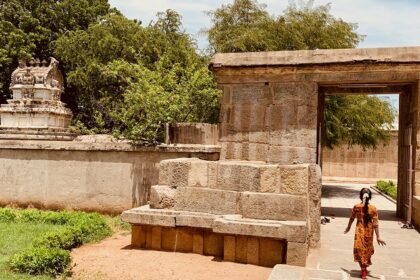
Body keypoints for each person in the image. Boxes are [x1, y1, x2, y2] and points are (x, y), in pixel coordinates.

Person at [344, 188, 386, 279]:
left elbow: (352, 218)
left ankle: (363, 269)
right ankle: (364, 269)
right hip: (369, 231)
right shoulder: (373, 209)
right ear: (370, 197)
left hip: (359, 230)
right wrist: (378, 237)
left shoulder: (356, 207)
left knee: (359, 249)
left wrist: (348, 227)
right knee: (366, 250)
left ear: (360, 196)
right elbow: (375, 224)